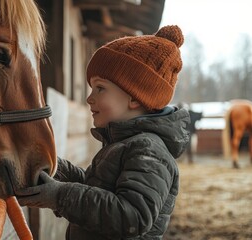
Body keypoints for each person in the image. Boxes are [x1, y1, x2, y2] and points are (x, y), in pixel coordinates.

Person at [16, 25, 190, 239]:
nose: (89, 98)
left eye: (100, 88)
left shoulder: (149, 150)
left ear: (134, 97)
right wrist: (54, 166)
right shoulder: (124, 144)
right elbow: (96, 190)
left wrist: (61, 196)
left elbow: (132, 217)